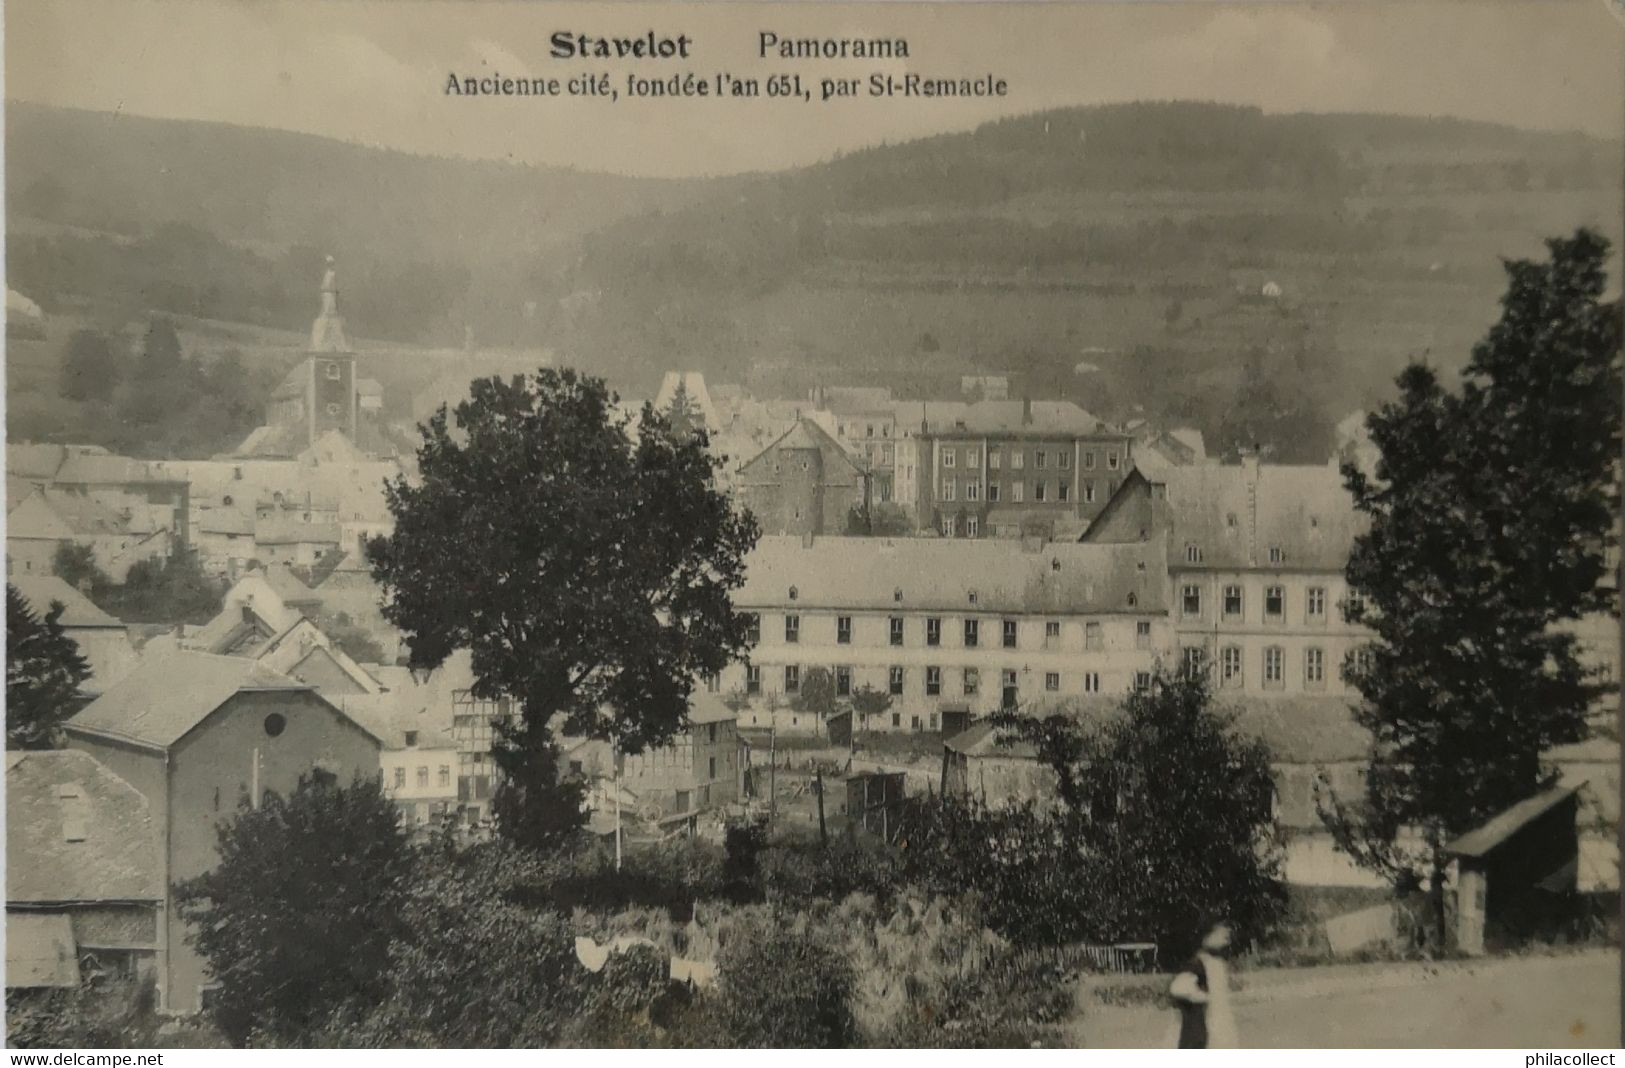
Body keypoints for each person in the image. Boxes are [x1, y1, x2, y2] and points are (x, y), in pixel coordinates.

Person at [1168, 921, 1239, 1048]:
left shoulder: (1217, 962)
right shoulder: (1198, 963)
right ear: (1205, 937)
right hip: (1205, 1026)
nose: (1227, 939)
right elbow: (1177, 988)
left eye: (1227, 936)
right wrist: (1203, 997)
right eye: (1220, 934)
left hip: (1219, 1022)